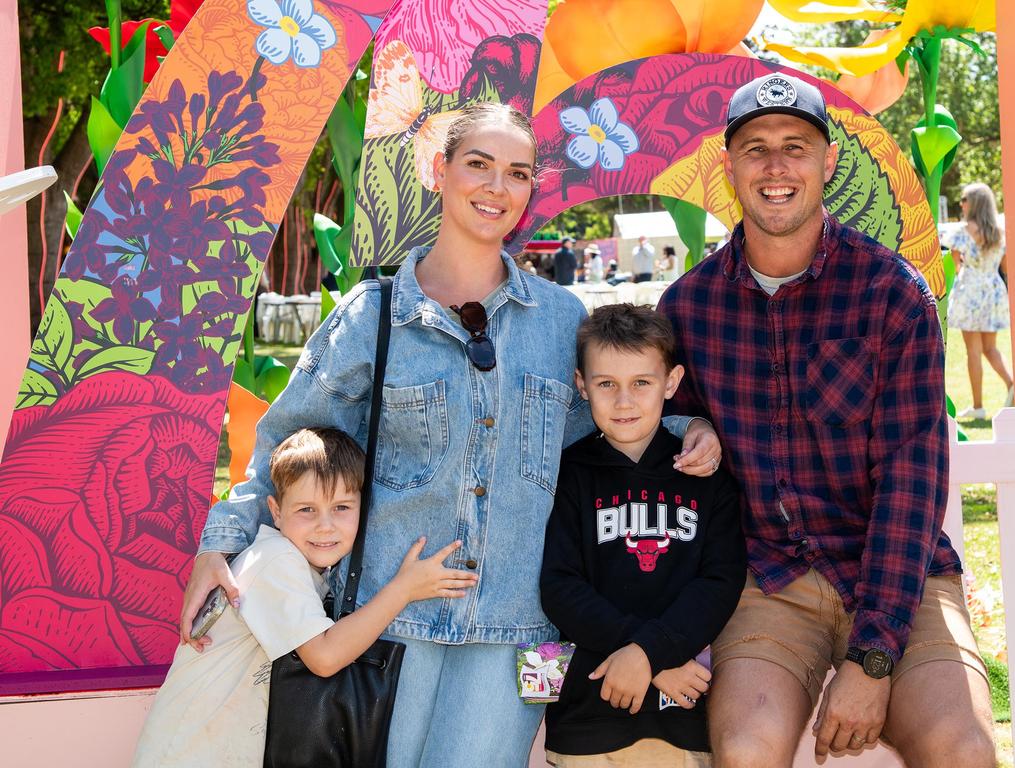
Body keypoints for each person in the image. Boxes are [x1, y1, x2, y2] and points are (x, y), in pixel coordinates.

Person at [179, 103, 721, 768]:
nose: (497, 187)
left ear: (530, 191)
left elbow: (608, 427)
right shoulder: (370, 318)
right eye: (479, 165)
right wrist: (222, 541)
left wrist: (688, 425)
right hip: (389, 624)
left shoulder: (560, 320)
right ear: (440, 171)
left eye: (517, 173)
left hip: (528, 639)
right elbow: (285, 447)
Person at [659, 73, 996, 767]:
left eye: (796, 147)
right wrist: (687, 429)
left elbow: (912, 480)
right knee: (746, 750)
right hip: (767, 581)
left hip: (897, 573)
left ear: (828, 162)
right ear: (730, 168)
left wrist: (873, 659)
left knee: (962, 749)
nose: (776, 167)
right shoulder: (687, 308)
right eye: (755, 149)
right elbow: (655, 443)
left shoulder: (892, 293)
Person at [132, 428, 475, 767]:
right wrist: (404, 589)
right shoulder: (276, 561)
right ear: (276, 512)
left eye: (341, 507)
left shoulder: (294, 564)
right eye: (306, 510)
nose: (325, 526)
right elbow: (324, 657)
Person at [540, 304, 746, 768]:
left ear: (671, 383)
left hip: (682, 715)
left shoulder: (706, 474)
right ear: (581, 384)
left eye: (642, 383)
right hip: (588, 713)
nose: (624, 401)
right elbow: (559, 587)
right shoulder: (567, 474)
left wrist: (648, 653)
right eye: (606, 384)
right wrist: (649, 656)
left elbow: (721, 582)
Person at [947, 182, 1013, 420]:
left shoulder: (964, 231)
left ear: (973, 204)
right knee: (990, 348)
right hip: (993, 290)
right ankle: (1012, 384)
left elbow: (955, 266)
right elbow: (1006, 268)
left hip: (970, 293)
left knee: (973, 352)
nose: (961, 203)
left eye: (964, 199)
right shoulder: (999, 233)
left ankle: (978, 407)